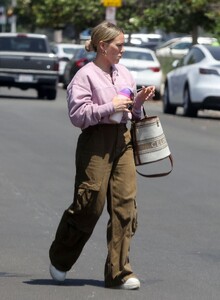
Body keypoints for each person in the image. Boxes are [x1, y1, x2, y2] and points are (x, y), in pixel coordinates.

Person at [49, 21, 155, 290]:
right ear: (103, 46)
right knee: (90, 202)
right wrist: (109, 106)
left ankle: (118, 272)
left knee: (125, 206)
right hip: (95, 140)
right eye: (119, 45)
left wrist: (138, 102)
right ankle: (60, 259)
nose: (123, 49)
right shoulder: (84, 76)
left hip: (124, 139)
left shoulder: (125, 74)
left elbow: (132, 114)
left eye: (123, 44)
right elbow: (77, 116)